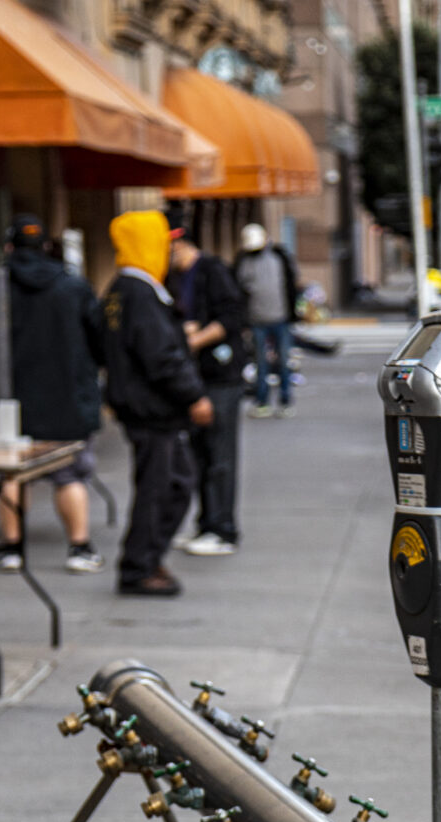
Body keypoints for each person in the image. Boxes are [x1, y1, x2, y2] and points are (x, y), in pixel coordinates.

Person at [0, 215, 105, 574]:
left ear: (8, 247)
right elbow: (99, 340)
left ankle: (12, 548)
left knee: (12, 475)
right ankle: (79, 547)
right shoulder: (73, 286)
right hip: (67, 396)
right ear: (47, 246)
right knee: (69, 475)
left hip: (12, 400)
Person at [103, 210, 212, 598]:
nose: (168, 251)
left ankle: (146, 558)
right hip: (154, 410)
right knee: (161, 488)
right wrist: (194, 395)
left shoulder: (123, 289)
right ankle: (139, 566)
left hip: (145, 407)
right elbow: (160, 356)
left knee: (174, 484)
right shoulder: (139, 292)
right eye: (163, 243)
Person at [168, 218, 246, 556]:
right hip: (196, 375)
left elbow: (232, 317)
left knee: (219, 453)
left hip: (220, 375)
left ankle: (223, 529)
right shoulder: (173, 278)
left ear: (179, 243)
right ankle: (206, 523)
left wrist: (195, 339)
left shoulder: (212, 270)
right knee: (198, 452)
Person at [234, 222, 299, 418]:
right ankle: (262, 401)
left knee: (283, 361)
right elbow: (239, 291)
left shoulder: (279, 257)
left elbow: (290, 284)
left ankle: (285, 401)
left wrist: (292, 313)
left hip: (279, 317)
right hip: (257, 320)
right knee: (261, 363)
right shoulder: (243, 262)